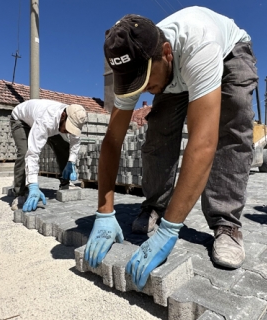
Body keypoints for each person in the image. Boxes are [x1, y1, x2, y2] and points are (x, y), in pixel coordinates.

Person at [84, 6, 258, 290]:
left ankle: (226, 224)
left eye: (147, 81)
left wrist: (169, 231)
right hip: (174, 68)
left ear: (166, 53)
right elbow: (113, 141)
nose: (143, 90)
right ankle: (154, 206)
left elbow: (203, 142)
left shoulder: (199, 44)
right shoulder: (134, 65)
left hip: (228, 53)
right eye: (134, 85)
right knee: (158, 133)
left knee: (231, 126)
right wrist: (104, 213)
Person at [10, 99, 87, 212]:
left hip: (47, 122)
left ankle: (65, 183)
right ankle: (20, 193)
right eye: (67, 128)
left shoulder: (75, 117)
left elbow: (75, 143)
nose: (68, 132)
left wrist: (71, 161)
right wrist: (33, 185)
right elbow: (33, 154)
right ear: (63, 116)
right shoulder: (46, 120)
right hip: (21, 120)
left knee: (64, 146)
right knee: (24, 152)